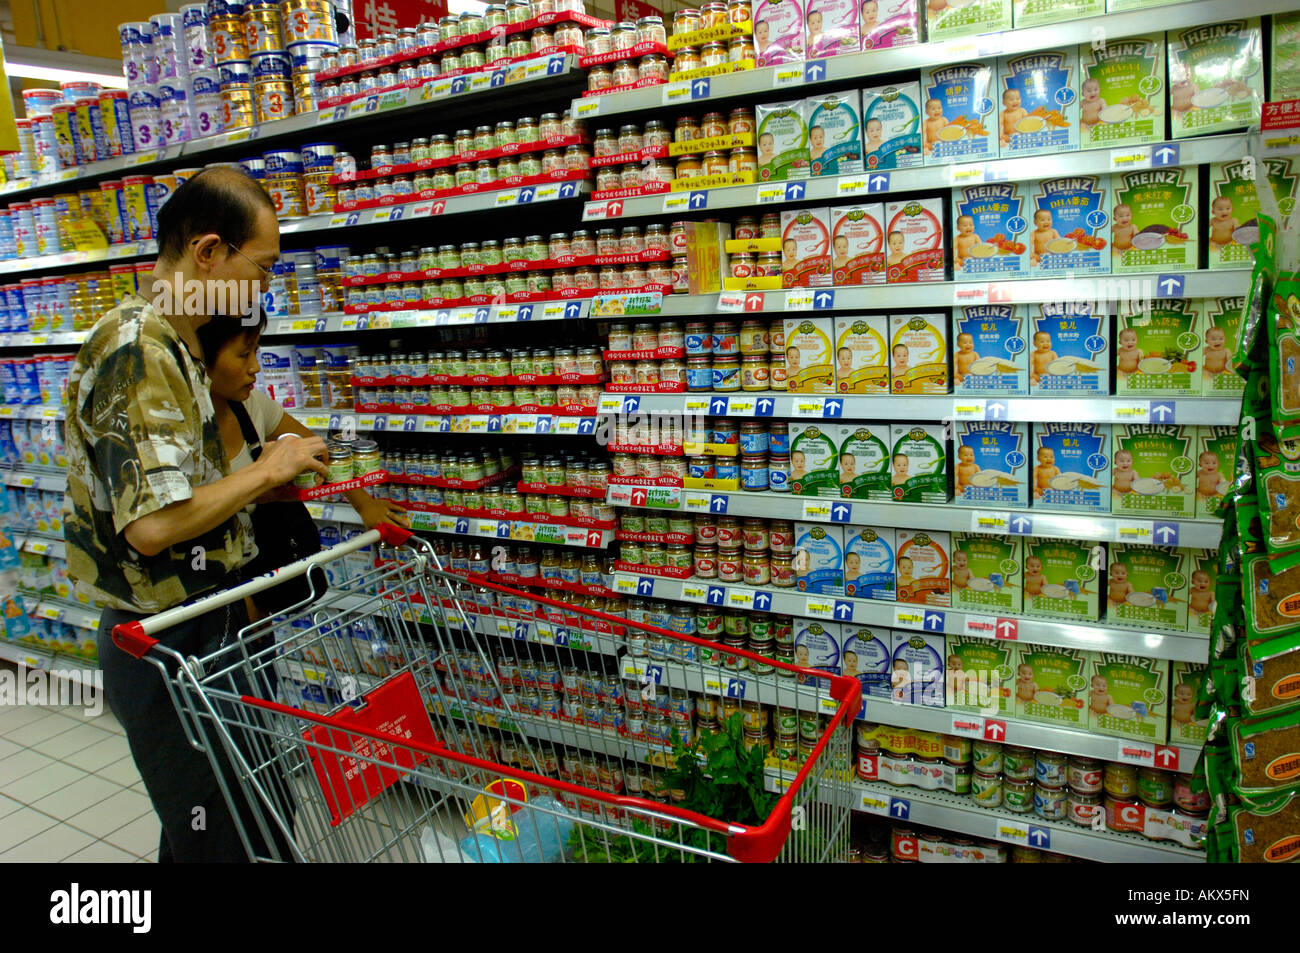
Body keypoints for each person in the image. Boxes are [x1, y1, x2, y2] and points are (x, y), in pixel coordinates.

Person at [64, 166, 328, 863]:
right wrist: (266, 469)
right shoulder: (137, 348)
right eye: (262, 267)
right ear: (208, 253)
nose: (266, 287)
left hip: (200, 629)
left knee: (215, 829)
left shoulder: (178, 349)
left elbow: (179, 497)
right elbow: (152, 524)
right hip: (164, 646)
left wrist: (251, 491)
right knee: (231, 837)